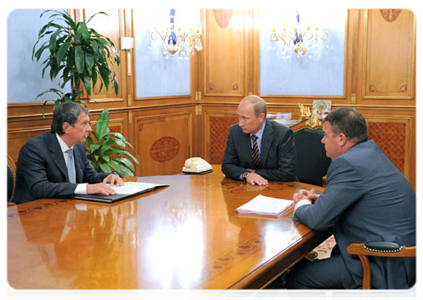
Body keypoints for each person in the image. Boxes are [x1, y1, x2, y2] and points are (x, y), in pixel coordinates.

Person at [287, 107, 420, 300]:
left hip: (384, 261)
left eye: (325, 135)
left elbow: (317, 221)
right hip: (407, 257)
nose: (322, 141)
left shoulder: (346, 163)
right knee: (335, 255)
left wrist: (302, 204)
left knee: (300, 280)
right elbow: (361, 195)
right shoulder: (369, 152)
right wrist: (320, 200)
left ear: (341, 139)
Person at [14, 102, 124, 204]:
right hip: (35, 211)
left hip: (67, 207)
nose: (90, 129)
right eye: (84, 124)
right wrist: (86, 188)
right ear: (66, 127)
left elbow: (88, 176)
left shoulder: (78, 146)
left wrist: (108, 177)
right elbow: (40, 187)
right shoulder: (34, 149)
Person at [222, 95, 297, 185]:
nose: (240, 123)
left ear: (261, 117)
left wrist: (255, 173)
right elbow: (227, 166)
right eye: (239, 117)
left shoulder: (282, 134)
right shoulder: (235, 131)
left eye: (245, 118)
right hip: (247, 189)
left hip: (279, 188)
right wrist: (246, 175)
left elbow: (288, 172)